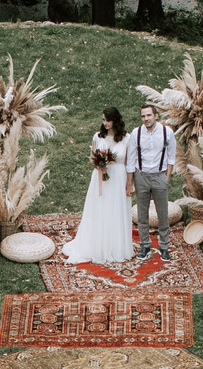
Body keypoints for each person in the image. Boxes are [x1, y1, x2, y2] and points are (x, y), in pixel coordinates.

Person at [66, 106, 134, 265]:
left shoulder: (127, 138)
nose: (105, 123)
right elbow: (92, 156)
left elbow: (130, 163)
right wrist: (99, 164)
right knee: (100, 209)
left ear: (116, 121)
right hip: (100, 178)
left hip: (118, 177)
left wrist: (130, 184)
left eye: (108, 120)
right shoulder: (98, 137)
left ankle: (116, 246)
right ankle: (98, 245)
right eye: (103, 120)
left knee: (116, 210)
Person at [122, 100, 179, 256]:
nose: (146, 118)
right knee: (142, 213)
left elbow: (171, 157)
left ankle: (164, 246)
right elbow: (131, 160)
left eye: (148, 115)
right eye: (143, 116)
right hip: (142, 176)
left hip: (160, 176)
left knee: (162, 213)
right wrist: (130, 183)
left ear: (155, 116)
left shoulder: (167, 133)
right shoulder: (136, 133)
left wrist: (167, 177)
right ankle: (145, 245)